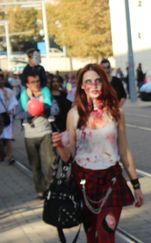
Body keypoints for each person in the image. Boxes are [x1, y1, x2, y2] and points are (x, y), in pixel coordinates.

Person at [52, 63, 144, 242]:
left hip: (111, 179)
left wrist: (136, 185)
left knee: (106, 232)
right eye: (88, 81)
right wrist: (59, 146)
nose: (93, 85)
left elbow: (124, 151)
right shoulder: (74, 114)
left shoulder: (116, 112)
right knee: (92, 235)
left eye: (98, 81)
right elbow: (68, 157)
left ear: (104, 83)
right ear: (81, 87)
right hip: (84, 182)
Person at [20, 70, 56, 199]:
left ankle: (47, 186)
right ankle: (40, 190)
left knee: (51, 161)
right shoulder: (23, 95)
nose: (36, 84)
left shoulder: (46, 92)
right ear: (27, 84)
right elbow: (20, 113)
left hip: (46, 132)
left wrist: (42, 107)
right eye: (33, 82)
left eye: (38, 81)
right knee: (35, 165)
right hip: (30, 135)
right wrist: (32, 104)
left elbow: (55, 109)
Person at [0, 73, 18, 165]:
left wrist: (11, 111)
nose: (0, 81)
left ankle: (10, 157)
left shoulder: (9, 91)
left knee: (8, 137)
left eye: (1, 79)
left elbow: (13, 103)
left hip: (6, 118)